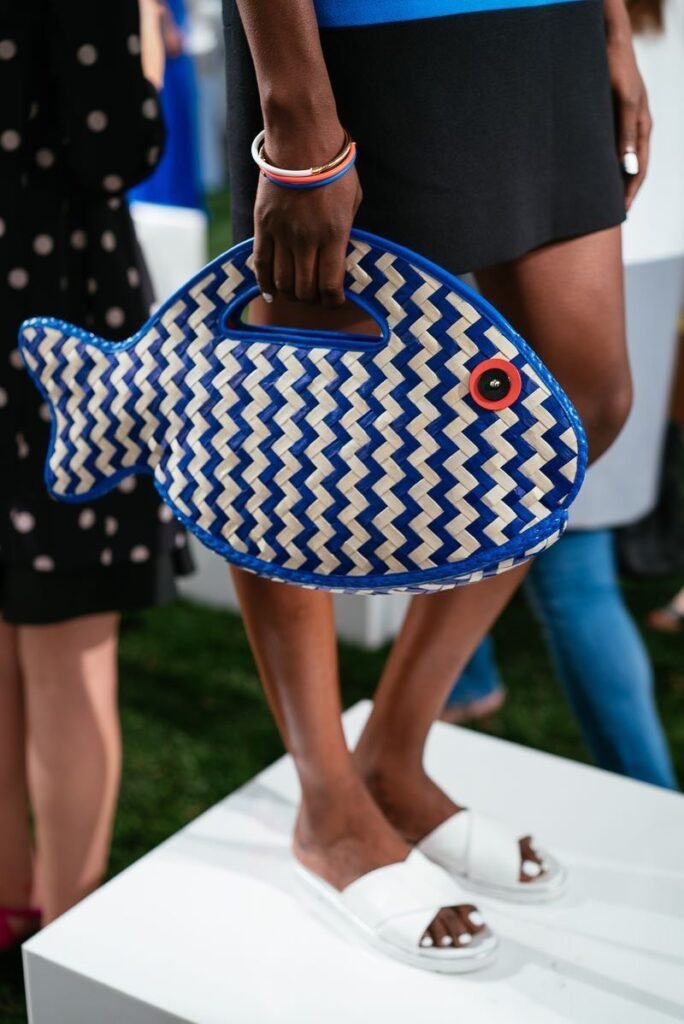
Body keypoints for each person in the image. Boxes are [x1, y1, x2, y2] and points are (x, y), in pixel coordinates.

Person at [222, 0, 648, 968]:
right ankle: (329, 803)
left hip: (545, 21)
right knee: (296, 425)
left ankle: (393, 748)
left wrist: (613, 27)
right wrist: (295, 111)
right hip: (349, 28)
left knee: (583, 397)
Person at [0, 0, 192, 950]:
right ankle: (63, 931)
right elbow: (115, 144)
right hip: (56, 327)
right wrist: (147, 27)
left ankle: (9, 899)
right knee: (67, 651)